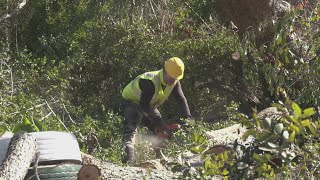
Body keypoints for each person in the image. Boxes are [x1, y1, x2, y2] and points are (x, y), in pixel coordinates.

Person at [120, 57, 192, 164]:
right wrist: (159, 121)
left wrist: (188, 118)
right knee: (132, 125)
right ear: (165, 70)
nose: (173, 81)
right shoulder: (151, 81)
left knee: (160, 130)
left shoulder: (175, 82)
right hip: (131, 101)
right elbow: (144, 106)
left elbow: (181, 99)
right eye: (172, 77)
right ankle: (128, 157)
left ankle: (159, 156)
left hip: (149, 105)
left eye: (176, 78)